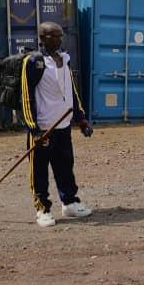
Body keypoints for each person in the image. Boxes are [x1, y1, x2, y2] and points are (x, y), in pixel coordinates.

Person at [21, 22, 94, 227]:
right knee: (39, 171)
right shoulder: (34, 62)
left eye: (60, 36)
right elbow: (26, 97)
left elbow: (71, 91)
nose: (59, 40)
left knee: (65, 167)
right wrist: (33, 129)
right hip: (43, 129)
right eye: (54, 36)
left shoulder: (64, 59)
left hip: (63, 126)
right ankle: (42, 209)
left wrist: (80, 119)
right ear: (43, 38)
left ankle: (70, 203)